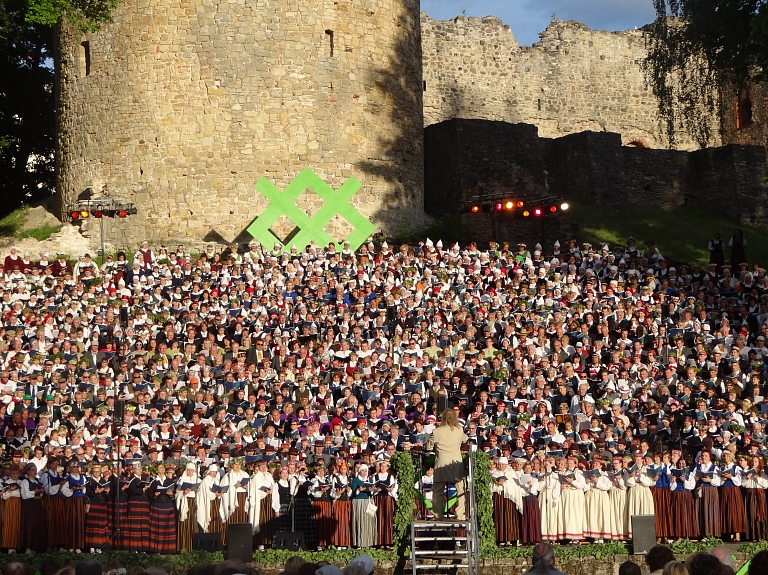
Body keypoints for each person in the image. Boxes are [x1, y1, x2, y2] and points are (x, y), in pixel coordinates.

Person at [426, 409, 468, 520]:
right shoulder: (459, 430)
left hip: (441, 464)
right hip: (456, 464)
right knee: (461, 489)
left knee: (438, 491)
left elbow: (428, 447)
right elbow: (465, 439)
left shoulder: (436, 432)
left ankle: (438, 515)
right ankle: (459, 514)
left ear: (443, 417)